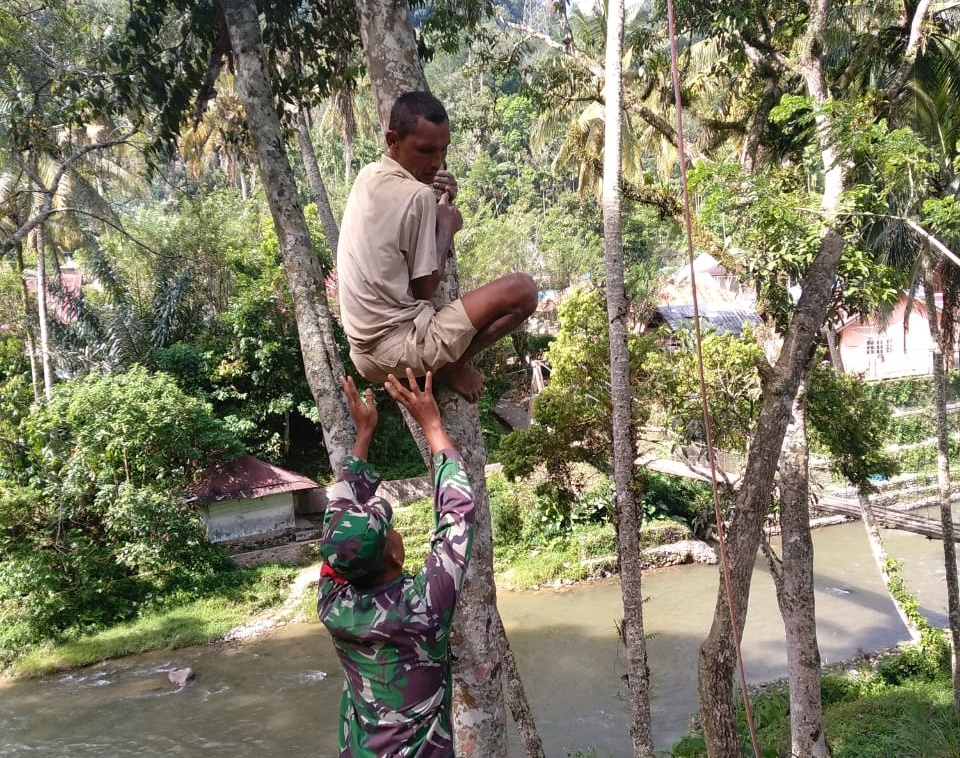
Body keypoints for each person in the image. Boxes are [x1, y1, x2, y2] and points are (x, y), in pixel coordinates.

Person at [336, 90, 538, 403]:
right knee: (523, 290)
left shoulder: (368, 176)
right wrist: (447, 226)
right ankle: (450, 366)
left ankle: (442, 363)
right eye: (425, 150)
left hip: (362, 354)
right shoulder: (417, 197)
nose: (437, 162)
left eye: (443, 150)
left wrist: (436, 197)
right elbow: (425, 289)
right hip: (403, 351)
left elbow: (397, 231)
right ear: (393, 139)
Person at [317, 369, 475, 758]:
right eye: (390, 531)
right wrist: (432, 424)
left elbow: (336, 519)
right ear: (394, 554)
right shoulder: (421, 607)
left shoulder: (333, 604)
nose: (396, 532)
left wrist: (364, 433)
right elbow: (458, 514)